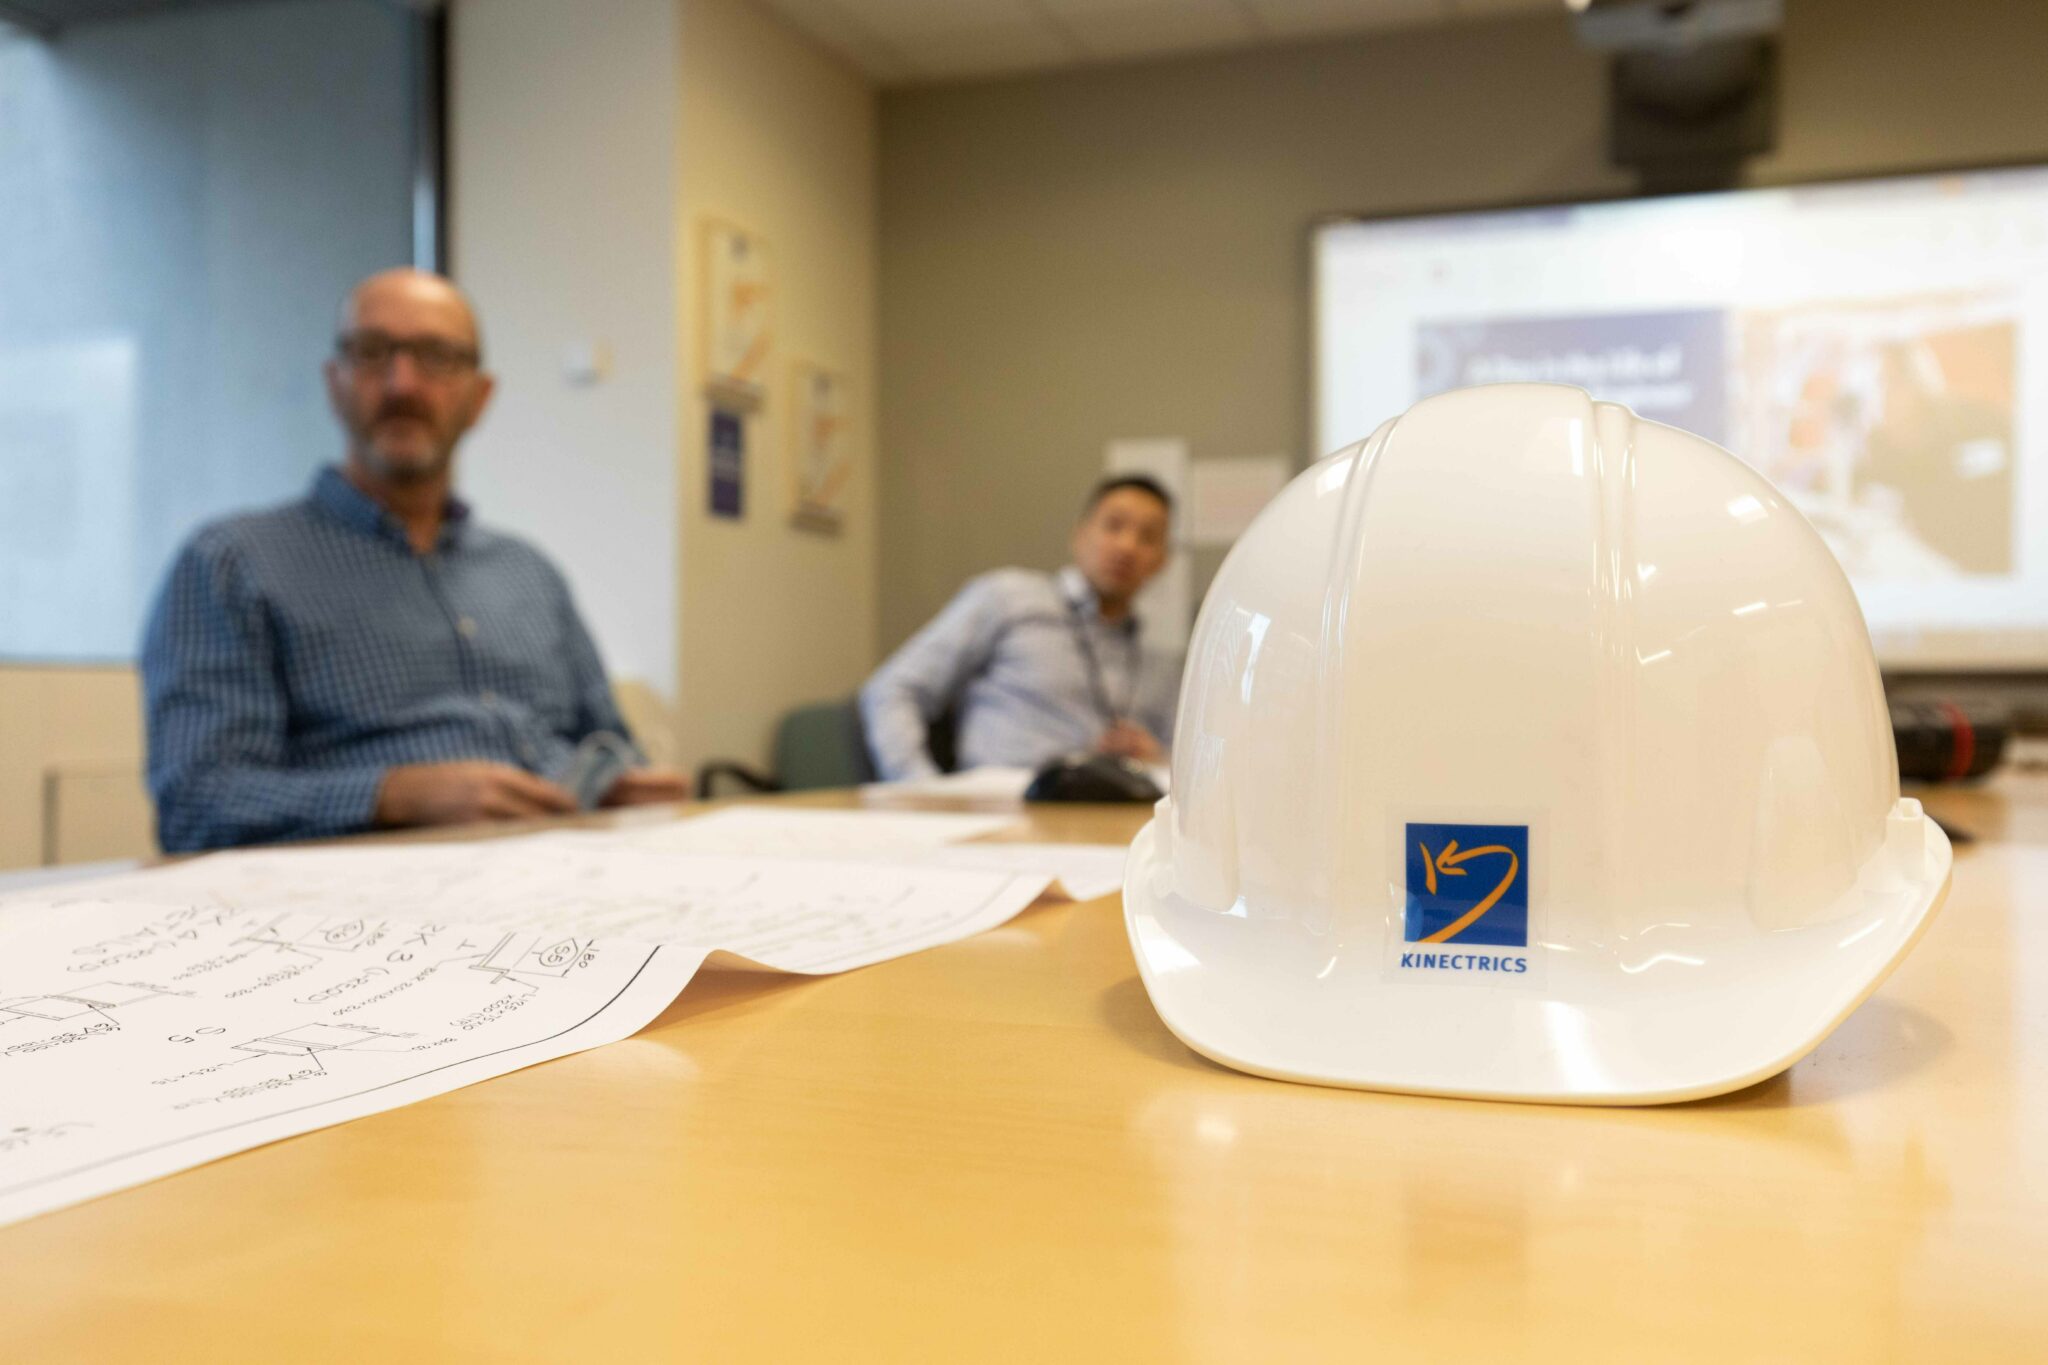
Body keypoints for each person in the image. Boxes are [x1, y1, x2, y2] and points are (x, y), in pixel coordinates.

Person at [140, 267, 689, 852]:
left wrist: (624, 787)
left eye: (437, 357)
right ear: (334, 381)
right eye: (372, 352)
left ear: (480, 398)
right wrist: (393, 797)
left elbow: (611, 745)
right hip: (378, 884)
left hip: (577, 863)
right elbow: (195, 804)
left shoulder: (531, 573)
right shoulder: (230, 565)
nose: (402, 384)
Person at [861, 475, 1180, 780]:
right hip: (1001, 799)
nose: (1127, 546)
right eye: (1113, 525)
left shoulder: (1159, 662)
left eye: (1148, 537)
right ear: (1079, 535)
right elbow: (893, 688)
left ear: (1161, 561)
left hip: (1108, 807)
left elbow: (1184, 762)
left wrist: (1157, 756)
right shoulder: (1007, 599)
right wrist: (920, 787)